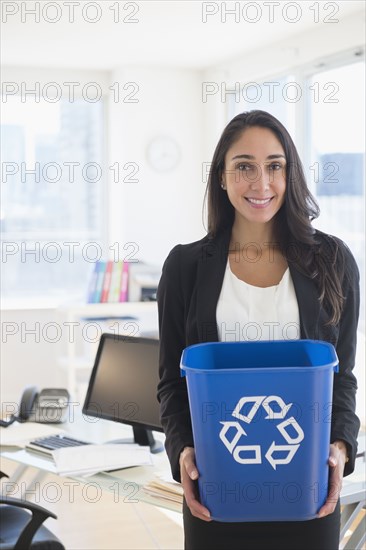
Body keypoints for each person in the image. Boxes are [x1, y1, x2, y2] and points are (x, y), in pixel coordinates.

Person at [157, 110, 360, 550]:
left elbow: (341, 378)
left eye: (274, 166)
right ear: (223, 176)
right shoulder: (186, 268)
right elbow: (173, 384)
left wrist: (341, 446)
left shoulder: (333, 261)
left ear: (290, 174)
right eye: (244, 166)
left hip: (306, 493)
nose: (261, 183)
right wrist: (182, 453)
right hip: (220, 493)